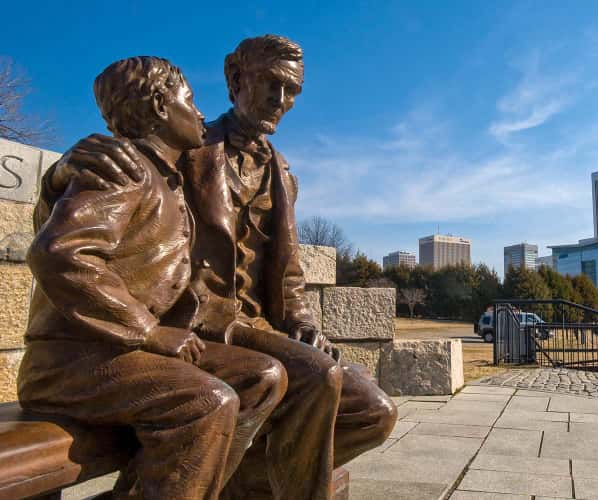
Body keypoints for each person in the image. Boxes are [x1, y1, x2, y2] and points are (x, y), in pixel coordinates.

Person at [49, 36, 397, 500]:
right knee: (315, 379)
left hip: (261, 328)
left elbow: (288, 275)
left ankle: (228, 482)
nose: (281, 100)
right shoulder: (185, 143)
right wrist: (58, 173)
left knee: (374, 410)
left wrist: (303, 323)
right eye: (271, 84)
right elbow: (96, 190)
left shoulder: (283, 174)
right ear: (235, 79)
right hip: (199, 325)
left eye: (292, 90)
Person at [20, 56, 288, 500]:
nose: (201, 112)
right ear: (163, 106)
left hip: (121, 355)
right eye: (191, 100)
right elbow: (57, 253)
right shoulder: (121, 169)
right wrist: (147, 330)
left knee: (262, 376)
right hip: (72, 362)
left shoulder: (166, 178)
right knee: (207, 402)